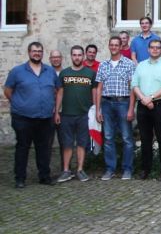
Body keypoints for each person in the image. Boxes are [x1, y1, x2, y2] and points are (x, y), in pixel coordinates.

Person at [4, 42, 61, 188]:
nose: (37, 53)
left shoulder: (49, 71)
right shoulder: (17, 71)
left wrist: (54, 109)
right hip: (23, 117)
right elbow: (8, 90)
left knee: (44, 148)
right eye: (34, 51)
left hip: (45, 117)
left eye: (39, 51)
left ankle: (44, 176)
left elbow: (58, 89)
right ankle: (20, 178)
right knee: (22, 147)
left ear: (42, 53)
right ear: (29, 52)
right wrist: (19, 103)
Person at [131, 39, 161, 181]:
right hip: (142, 105)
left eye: (158, 47)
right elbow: (134, 84)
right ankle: (145, 169)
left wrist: (150, 98)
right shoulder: (141, 65)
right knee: (145, 139)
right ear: (148, 49)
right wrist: (144, 99)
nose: (155, 50)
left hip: (160, 105)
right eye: (152, 47)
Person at [95, 36, 137, 181]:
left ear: (120, 47)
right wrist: (98, 109)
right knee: (108, 138)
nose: (113, 47)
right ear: (109, 46)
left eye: (116, 45)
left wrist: (131, 108)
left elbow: (133, 88)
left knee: (127, 138)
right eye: (111, 45)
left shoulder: (129, 64)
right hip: (106, 103)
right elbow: (99, 88)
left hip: (123, 103)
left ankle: (127, 169)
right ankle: (110, 169)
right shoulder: (103, 65)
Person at [55, 46, 96, 183]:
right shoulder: (64, 73)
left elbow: (94, 93)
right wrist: (57, 112)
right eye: (74, 55)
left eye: (79, 55)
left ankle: (80, 170)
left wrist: (95, 110)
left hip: (84, 115)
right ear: (71, 56)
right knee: (67, 144)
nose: (77, 57)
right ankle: (66, 170)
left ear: (83, 56)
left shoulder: (90, 73)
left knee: (81, 143)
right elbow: (60, 93)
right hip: (67, 114)